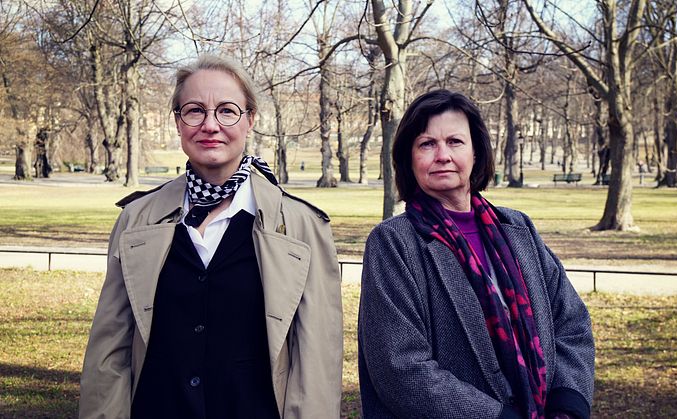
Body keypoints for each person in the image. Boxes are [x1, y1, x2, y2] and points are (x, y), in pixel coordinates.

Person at [79, 55, 343, 418]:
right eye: (194, 110)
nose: (210, 125)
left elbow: (317, 364)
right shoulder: (136, 220)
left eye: (227, 110)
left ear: (250, 119)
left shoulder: (302, 227)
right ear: (177, 121)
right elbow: (109, 353)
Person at [358, 90, 594, 419]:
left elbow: (571, 323)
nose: (442, 155)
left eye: (455, 141)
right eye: (427, 144)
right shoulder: (393, 243)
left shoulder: (518, 228)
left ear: (476, 152)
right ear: (409, 159)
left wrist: (567, 405)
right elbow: (400, 368)